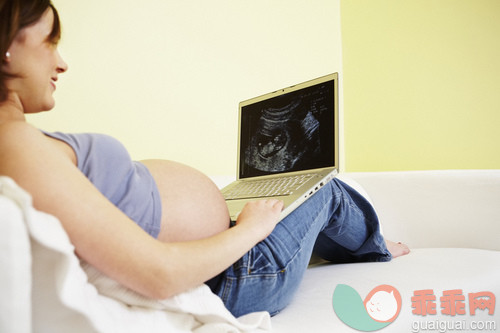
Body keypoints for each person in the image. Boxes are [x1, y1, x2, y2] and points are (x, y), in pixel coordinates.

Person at [0, 0, 409, 318]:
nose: (62, 62)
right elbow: (158, 274)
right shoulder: (16, 145)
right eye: (49, 42)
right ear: (5, 48)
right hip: (237, 276)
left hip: (224, 255)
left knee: (296, 199)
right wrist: (248, 230)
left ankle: (340, 244)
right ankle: (378, 249)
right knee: (327, 190)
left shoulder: (19, 142)